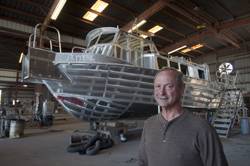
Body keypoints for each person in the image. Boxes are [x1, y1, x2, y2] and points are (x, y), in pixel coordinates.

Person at [138, 67, 228, 166]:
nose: (161, 92)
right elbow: (143, 162)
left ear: (182, 89)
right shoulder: (149, 124)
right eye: (158, 86)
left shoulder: (202, 128)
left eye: (169, 86)